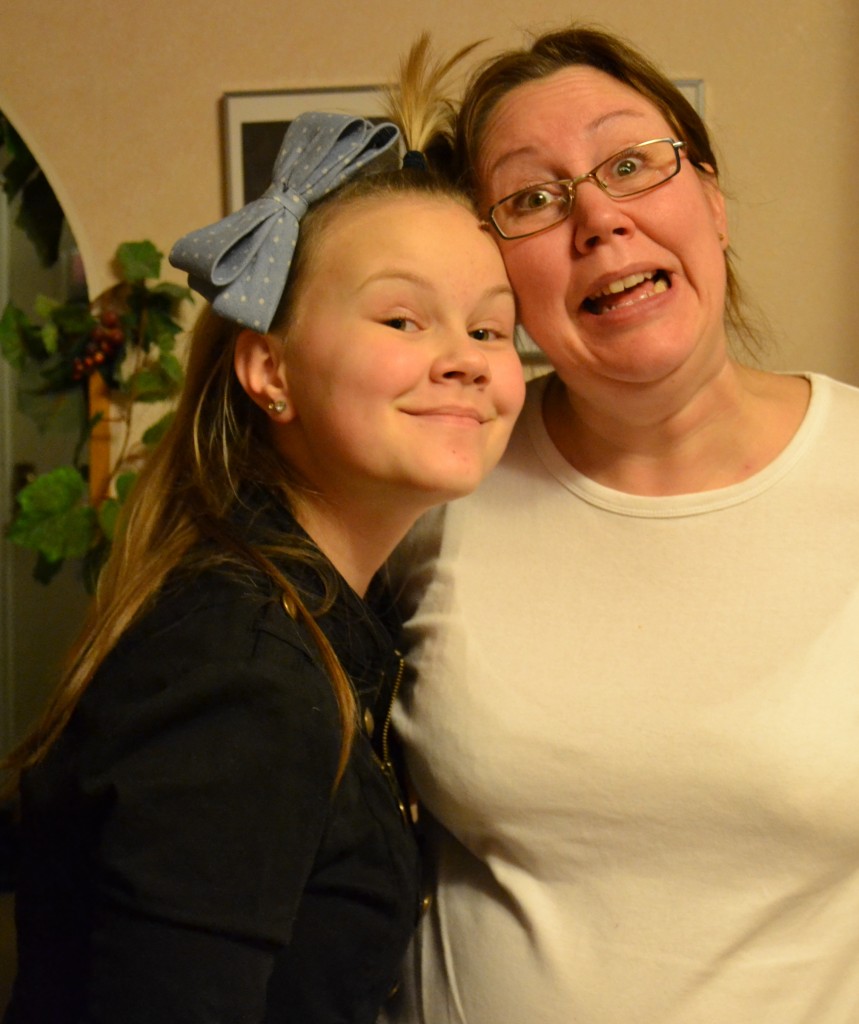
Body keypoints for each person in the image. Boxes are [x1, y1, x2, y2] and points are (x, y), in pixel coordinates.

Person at [0, 46, 525, 1024]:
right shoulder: (242, 669)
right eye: (402, 319)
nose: (463, 358)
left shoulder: (331, 622)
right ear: (269, 370)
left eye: (490, 330)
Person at [387, 23, 859, 1024]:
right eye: (531, 198)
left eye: (632, 163)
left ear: (712, 201)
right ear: (494, 273)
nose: (598, 217)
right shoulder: (432, 488)